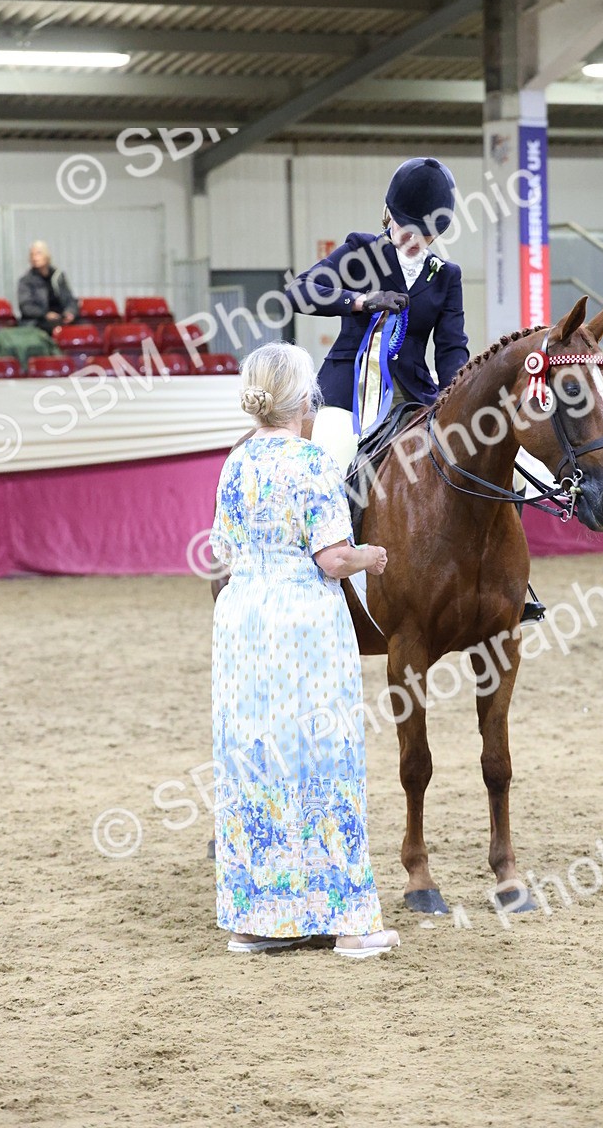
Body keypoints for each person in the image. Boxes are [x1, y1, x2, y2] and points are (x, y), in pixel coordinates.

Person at [209, 340, 400, 959]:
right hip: (301, 621)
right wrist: (369, 556)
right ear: (305, 399)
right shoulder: (314, 463)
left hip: (243, 618)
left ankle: (259, 919)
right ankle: (348, 922)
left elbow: (225, 548)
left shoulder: (234, 463)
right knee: (323, 753)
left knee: (254, 755)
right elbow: (331, 558)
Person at [286, 156, 469, 473]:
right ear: (390, 215)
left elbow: (451, 349)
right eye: (406, 229)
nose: (412, 240)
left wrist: (456, 399)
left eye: (423, 234)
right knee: (335, 461)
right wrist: (359, 301)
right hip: (348, 394)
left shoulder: (445, 276)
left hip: (413, 397)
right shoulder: (361, 252)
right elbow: (300, 291)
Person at [17, 241, 79, 332]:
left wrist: (70, 312)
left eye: (38, 254)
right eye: (32, 255)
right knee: (51, 327)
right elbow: (26, 307)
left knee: (84, 326)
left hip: (60, 317)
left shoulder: (58, 276)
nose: (34, 258)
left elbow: (69, 299)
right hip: (38, 321)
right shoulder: (26, 280)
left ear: (47, 256)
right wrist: (46, 314)